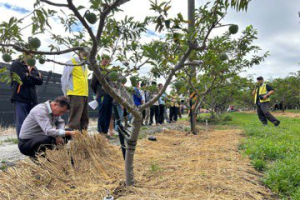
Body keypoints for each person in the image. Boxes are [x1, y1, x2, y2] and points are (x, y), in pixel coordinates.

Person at [10, 53, 43, 138]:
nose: (32, 55)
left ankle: (32, 141)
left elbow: (40, 81)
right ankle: (22, 142)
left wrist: (29, 75)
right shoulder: (16, 64)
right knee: (21, 122)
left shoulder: (33, 66)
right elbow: (22, 79)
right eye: (30, 53)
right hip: (20, 97)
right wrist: (33, 78)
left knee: (33, 122)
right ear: (24, 53)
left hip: (32, 98)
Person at [61, 50, 89, 131]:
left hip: (84, 94)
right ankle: (73, 137)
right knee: (75, 117)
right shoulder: (71, 62)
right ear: (79, 53)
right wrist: (65, 92)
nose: (85, 56)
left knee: (84, 117)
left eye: (87, 55)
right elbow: (64, 78)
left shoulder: (84, 65)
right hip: (75, 94)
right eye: (84, 53)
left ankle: (83, 137)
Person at [90, 55, 113, 135]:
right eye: (105, 61)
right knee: (102, 113)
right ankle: (101, 132)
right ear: (101, 61)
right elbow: (92, 83)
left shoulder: (109, 72)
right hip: (102, 95)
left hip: (110, 95)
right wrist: (98, 93)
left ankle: (105, 132)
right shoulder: (97, 70)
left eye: (108, 61)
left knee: (108, 113)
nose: (106, 63)